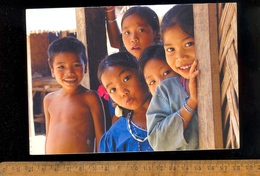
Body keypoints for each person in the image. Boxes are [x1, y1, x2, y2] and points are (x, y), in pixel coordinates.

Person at [146, 4, 200, 151]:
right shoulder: (166, 91)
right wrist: (191, 103)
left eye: (189, 44)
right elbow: (158, 143)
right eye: (171, 49)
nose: (180, 57)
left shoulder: (221, 77)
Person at [44, 37, 106, 154]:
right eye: (61, 67)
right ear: (52, 69)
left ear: (85, 66)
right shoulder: (49, 100)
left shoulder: (90, 97)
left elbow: (100, 137)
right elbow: (48, 136)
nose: (70, 72)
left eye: (76, 65)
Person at [97, 51, 153, 152]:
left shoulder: (179, 111)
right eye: (113, 89)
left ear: (140, 73)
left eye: (126, 79)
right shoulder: (114, 138)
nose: (123, 92)